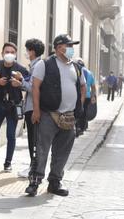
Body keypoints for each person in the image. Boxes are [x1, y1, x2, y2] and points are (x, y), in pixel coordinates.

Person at [25, 34, 86, 197]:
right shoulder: (45, 65)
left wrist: (77, 106)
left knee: (62, 152)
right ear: (59, 47)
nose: (72, 49)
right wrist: (36, 111)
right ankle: (35, 182)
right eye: (69, 46)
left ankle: (54, 182)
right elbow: (35, 87)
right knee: (42, 150)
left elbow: (82, 87)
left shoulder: (76, 67)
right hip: (47, 115)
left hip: (68, 117)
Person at [0, 43, 29, 172]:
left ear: (15, 54)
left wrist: (20, 83)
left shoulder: (21, 69)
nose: (9, 54)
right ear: (2, 53)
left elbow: (30, 83)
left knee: (11, 135)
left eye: (12, 52)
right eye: (6, 52)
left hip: (13, 105)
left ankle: (8, 162)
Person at [17, 39, 45, 178]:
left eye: (27, 50)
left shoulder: (38, 66)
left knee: (33, 140)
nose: (26, 53)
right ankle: (33, 166)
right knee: (33, 139)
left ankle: (34, 168)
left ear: (32, 51)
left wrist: (20, 82)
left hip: (33, 108)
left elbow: (33, 88)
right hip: (31, 107)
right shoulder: (36, 65)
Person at [74, 58, 96, 136]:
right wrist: (93, 96)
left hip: (78, 95)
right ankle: (82, 128)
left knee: (76, 111)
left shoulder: (76, 70)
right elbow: (93, 87)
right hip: (87, 97)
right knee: (84, 112)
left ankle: (77, 127)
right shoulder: (90, 73)